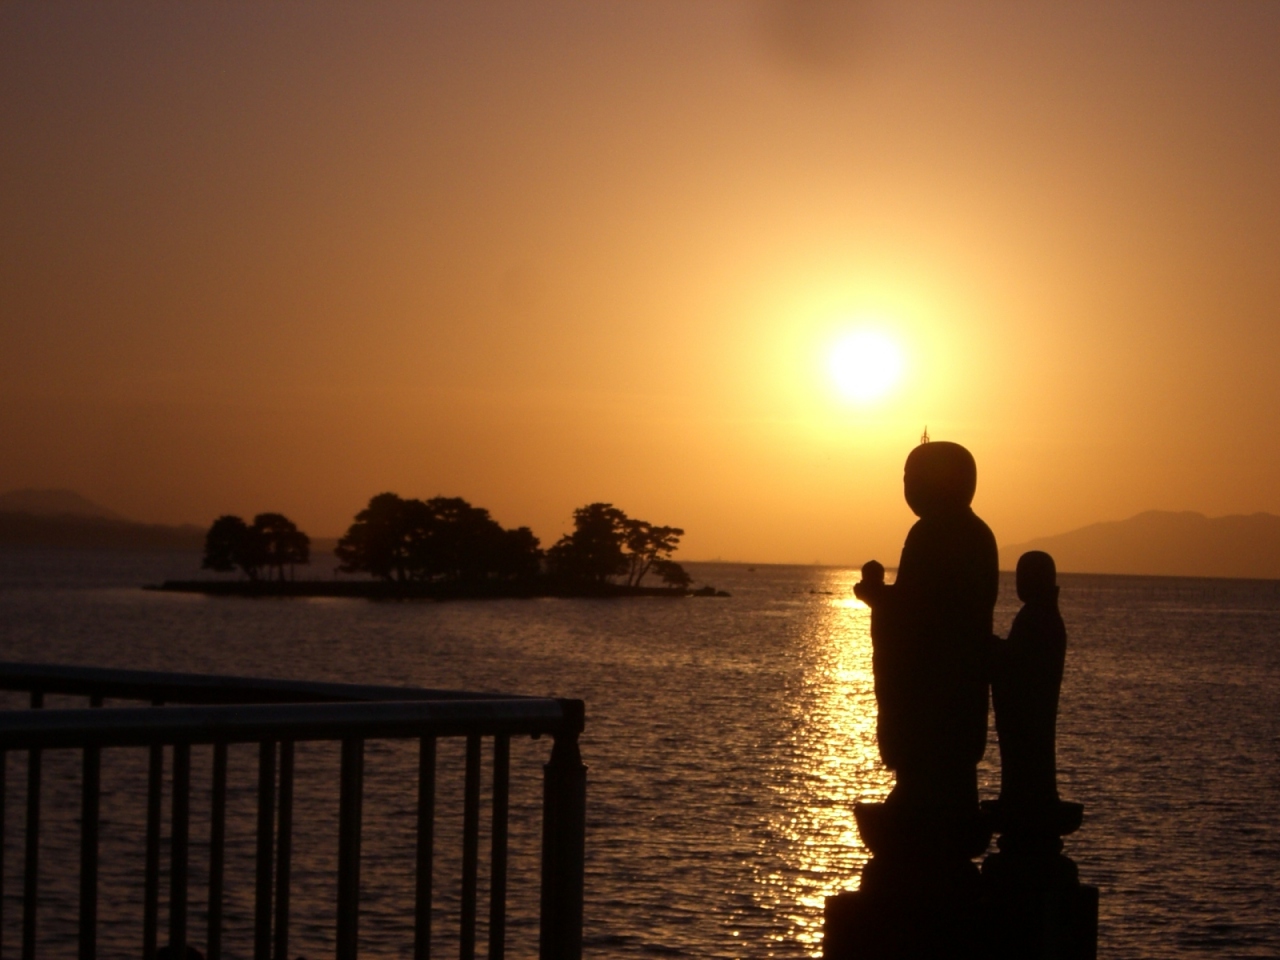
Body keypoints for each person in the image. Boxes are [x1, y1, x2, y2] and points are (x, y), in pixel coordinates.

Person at [854, 441, 998, 815]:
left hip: (934, 677)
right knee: (953, 767)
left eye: (912, 478)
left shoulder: (930, 534)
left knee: (927, 753)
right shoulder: (979, 534)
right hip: (963, 682)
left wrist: (877, 597)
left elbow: (919, 611)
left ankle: (918, 797)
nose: (907, 488)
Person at [991, 550, 1067, 814]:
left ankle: (1025, 796)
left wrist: (993, 649)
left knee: (1026, 759)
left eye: (1024, 576)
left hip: (1029, 714)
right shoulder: (1041, 615)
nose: (1018, 583)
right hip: (1029, 714)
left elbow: (1018, 664)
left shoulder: (1037, 618)